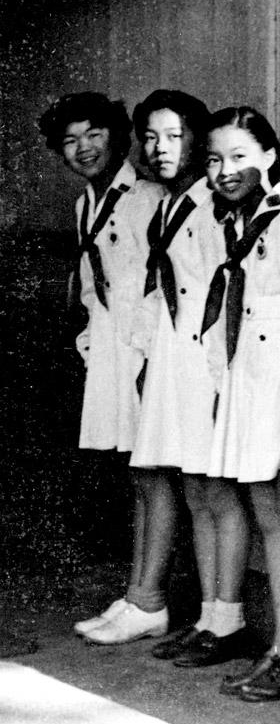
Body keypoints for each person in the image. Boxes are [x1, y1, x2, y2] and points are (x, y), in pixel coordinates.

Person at [88, 89, 225, 655]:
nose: (159, 147)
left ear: (197, 138)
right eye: (151, 137)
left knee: (208, 488)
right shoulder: (174, 200)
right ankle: (161, 602)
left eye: (173, 136)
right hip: (164, 353)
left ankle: (212, 613)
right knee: (177, 481)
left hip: (201, 360)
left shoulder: (209, 203)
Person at [199, 106, 280, 702]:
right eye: (216, 160)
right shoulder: (239, 223)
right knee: (270, 523)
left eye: (240, 157)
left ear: (270, 158)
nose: (226, 170)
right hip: (250, 390)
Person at [38, 92, 163, 638]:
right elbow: (94, 289)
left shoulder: (147, 196)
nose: (83, 149)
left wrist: (141, 360)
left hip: (147, 351)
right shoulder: (87, 203)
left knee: (157, 476)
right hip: (112, 350)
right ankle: (137, 593)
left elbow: (158, 289)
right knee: (137, 475)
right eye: (70, 141)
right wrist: (95, 350)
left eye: (93, 135)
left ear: (118, 135)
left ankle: (150, 597)